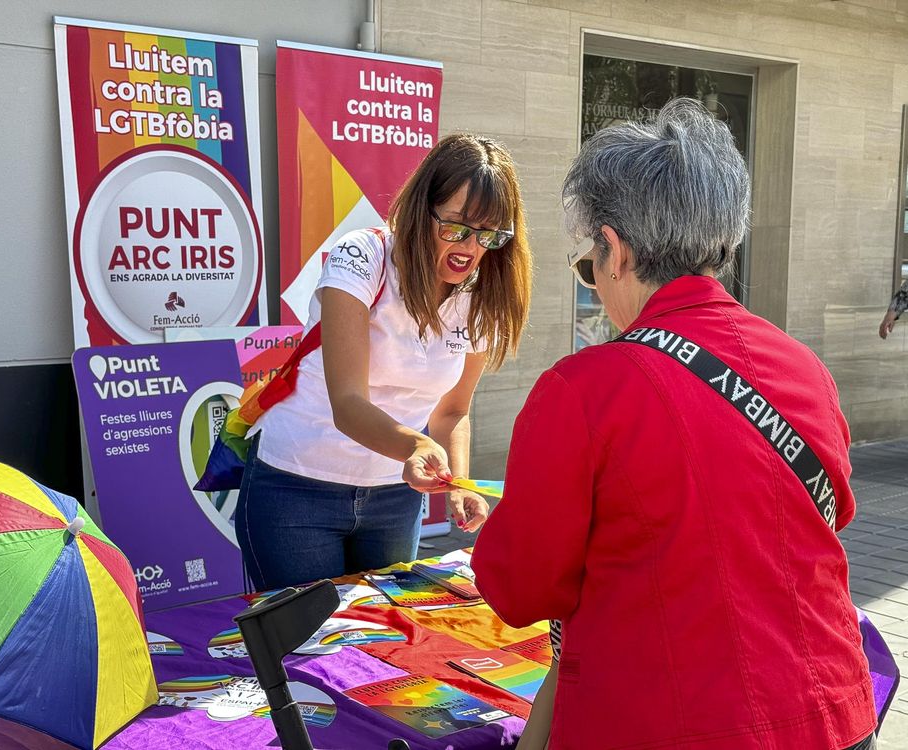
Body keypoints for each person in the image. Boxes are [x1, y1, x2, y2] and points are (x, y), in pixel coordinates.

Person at [472, 99, 877, 750]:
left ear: (614, 250)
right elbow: (820, 523)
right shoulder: (804, 367)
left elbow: (521, 589)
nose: (595, 288)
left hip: (672, 724)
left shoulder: (583, 388)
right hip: (837, 714)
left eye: (587, 267)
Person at [237, 134, 532, 591]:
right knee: (299, 650)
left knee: (380, 655)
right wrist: (416, 448)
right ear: (421, 210)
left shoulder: (481, 292)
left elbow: (452, 410)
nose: (470, 248)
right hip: (296, 486)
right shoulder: (363, 256)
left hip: (394, 500)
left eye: (490, 234)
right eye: (456, 226)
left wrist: (458, 482)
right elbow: (348, 401)